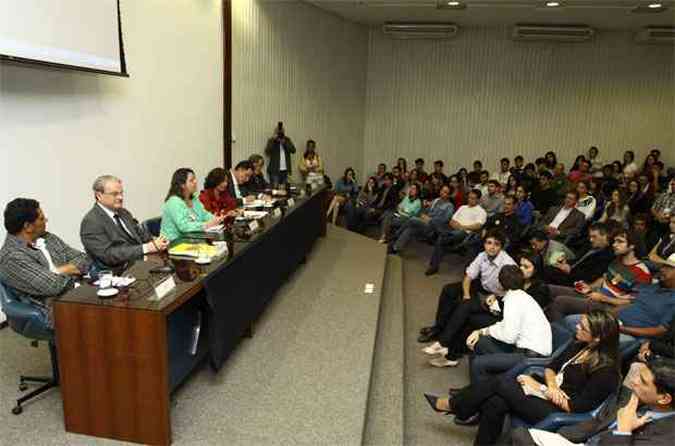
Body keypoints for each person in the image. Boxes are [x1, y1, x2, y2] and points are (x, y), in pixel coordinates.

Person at [423, 310, 620, 445]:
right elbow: (552, 368)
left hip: (560, 412)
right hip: (550, 395)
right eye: (580, 324)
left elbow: (576, 407)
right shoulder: (579, 344)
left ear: (598, 338)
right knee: (495, 402)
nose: (577, 327)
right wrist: (549, 385)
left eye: (583, 328)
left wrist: (542, 389)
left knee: (501, 383)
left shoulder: (606, 370)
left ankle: (454, 405)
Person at [512, 357, 675, 446]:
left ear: (664, 398)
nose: (634, 382)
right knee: (519, 435)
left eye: (643, 382)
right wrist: (561, 436)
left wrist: (623, 430)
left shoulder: (667, 437)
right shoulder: (637, 399)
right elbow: (598, 421)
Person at [419, 231, 517, 366]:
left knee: (466, 307)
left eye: (496, 244)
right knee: (449, 290)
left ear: (501, 247)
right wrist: (466, 295)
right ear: (484, 244)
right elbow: (469, 277)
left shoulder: (507, 263)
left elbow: (510, 291)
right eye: (489, 243)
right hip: (483, 288)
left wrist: (483, 299)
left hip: (498, 299)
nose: (492, 247)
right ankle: (439, 329)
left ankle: (443, 342)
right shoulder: (482, 256)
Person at [0, 198, 91, 325]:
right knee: (112, 316)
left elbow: (84, 258)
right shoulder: (11, 257)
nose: (46, 221)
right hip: (53, 308)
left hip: (76, 292)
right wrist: (74, 271)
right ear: (28, 227)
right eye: (41, 219)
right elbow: (54, 286)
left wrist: (57, 271)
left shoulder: (48, 238)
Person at [466, 265, 552, 383]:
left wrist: (485, 332)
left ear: (500, 283)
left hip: (530, 357)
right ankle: (472, 392)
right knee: (480, 341)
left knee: (478, 363)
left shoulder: (513, 301)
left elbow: (509, 336)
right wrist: (481, 331)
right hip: (530, 350)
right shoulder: (521, 296)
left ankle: (474, 396)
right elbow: (505, 324)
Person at [548, 229, 652, 322]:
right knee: (549, 289)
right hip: (596, 294)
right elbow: (605, 278)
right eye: (615, 241)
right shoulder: (617, 260)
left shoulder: (642, 272)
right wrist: (590, 287)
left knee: (560, 302)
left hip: (609, 305)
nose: (614, 245)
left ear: (632, 246)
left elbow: (632, 303)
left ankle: (556, 336)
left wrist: (603, 298)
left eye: (620, 242)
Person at [81, 175, 169, 269]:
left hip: (141, 263)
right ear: (99, 195)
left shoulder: (124, 213)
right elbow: (108, 255)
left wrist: (157, 242)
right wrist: (146, 248)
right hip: (119, 272)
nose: (120, 197)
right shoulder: (91, 221)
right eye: (115, 194)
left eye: (121, 193)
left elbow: (141, 235)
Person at [425, 189, 487, 276]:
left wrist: (463, 227)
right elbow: (452, 221)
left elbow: (478, 225)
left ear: (478, 200)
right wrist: (457, 226)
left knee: (444, 237)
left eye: (473, 198)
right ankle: (434, 265)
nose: (470, 200)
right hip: (453, 229)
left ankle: (433, 266)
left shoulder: (481, 211)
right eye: (469, 198)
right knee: (436, 225)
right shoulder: (463, 207)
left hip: (466, 233)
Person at [160, 168, 225, 242]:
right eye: (191, 180)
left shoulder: (194, 198)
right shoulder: (174, 202)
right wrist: (206, 225)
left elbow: (204, 214)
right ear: (182, 185)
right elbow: (184, 227)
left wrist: (215, 219)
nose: (195, 182)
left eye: (195, 179)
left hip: (192, 240)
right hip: (173, 244)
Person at [387, 184, 454, 255]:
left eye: (445, 192)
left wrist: (430, 219)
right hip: (424, 223)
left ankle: (396, 235)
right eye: (442, 190)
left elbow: (444, 221)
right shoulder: (436, 200)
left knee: (412, 219)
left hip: (433, 228)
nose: (442, 193)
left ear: (449, 195)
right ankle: (395, 248)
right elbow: (425, 211)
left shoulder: (449, 206)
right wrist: (423, 214)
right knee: (410, 229)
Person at [543, 222, 615, 288]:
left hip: (577, 281)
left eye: (594, 236)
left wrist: (569, 270)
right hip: (571, 272)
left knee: (548, 271)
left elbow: (590, 276)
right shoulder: (590, 246)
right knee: (548, 266)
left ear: (605, 236)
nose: (591, 240)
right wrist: (565, 262)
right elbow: (578, 260)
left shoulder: (607, 255)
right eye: (590, 236)